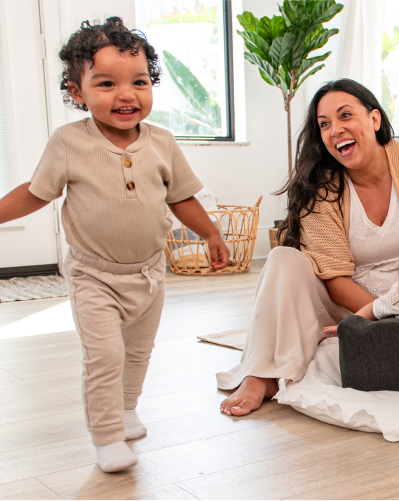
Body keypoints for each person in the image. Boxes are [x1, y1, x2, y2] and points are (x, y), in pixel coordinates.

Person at [0, 17, 229, 473]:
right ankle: (106, 437)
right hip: (93, 275)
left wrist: (210, 233)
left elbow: (181, 196)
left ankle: (126, 409)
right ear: (78, 92)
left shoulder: (162, 142)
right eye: (106, 83)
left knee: (139, 352)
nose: (126, 94)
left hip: (148, 273)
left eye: (139, 82)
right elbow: (36, 192)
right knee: (105, 354)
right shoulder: (68, 142)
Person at [218, 79, 399, 417]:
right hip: (350, 301)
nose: (334, 130)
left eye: (345, 116)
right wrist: (388, 316)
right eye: (324, 124)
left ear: (374, 119)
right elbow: (335, 279)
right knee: (283, 258)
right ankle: (263, 374)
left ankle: (384, 339)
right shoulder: (319, 185)